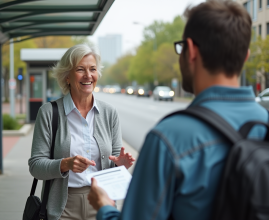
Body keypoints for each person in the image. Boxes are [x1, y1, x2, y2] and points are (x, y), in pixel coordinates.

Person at [87, 1, 269, 220]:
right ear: (245, 56)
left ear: (190, 50)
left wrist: (105, 207)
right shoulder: (264, 123)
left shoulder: (169, 139)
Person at [28, 44, 135, 220]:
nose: (88, 76)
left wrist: (120, 165)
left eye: (92, 69)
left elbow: (114, 162)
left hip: (102, 202)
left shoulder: (109, 113)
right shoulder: (48, 112)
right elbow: (35, 166)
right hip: (63, 207)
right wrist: (65, 164)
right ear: (67, 76)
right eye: (80, 69)